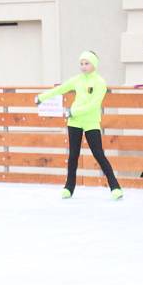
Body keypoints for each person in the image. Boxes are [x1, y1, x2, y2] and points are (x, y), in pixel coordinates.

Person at [35, 50, 123, 200]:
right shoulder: (77, 80)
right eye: (81, 63)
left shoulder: (100, 82)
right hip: (74, 122)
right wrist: (42, 97)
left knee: (98, 154)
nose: (83, 66)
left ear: (94, 64)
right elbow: (60, 89)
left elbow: (93, 104)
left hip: (90, 122)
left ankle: (115, 187)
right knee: (73, 156)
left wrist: (73, 112)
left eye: (86, 63)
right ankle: (69, 187)